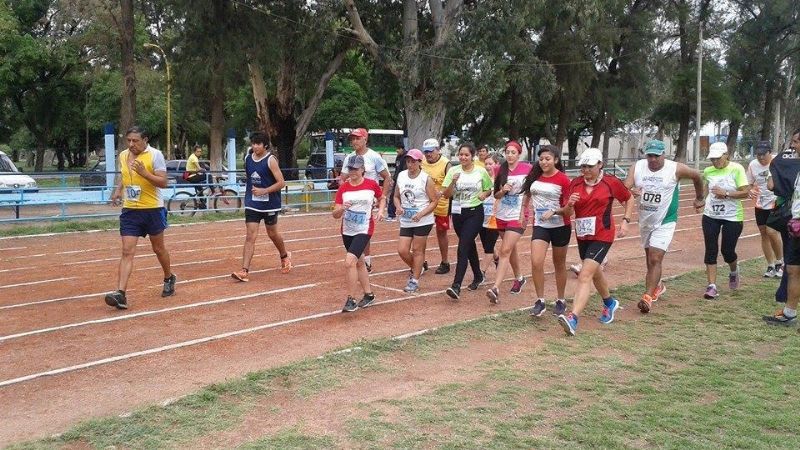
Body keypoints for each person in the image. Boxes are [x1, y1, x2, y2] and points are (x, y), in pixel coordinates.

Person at [553, 148, 634, 336]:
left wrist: (626, 221)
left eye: (589, 166)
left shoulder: (611, 182)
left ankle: (573, 318)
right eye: (583, 166)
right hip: (583, 235)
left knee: (584, 274)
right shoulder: (575, 184)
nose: (585, 170)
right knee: (595, 272)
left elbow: (628, 199)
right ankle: (609, 303)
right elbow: (567, 213)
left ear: (600, 165)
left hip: (603, 234)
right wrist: (569, 205)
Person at [624, 139, 705, 313]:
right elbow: (625, 187)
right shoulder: (637, 167)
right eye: (649, 155)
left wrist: (699, 198)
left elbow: (697, 175)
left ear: (663, 155)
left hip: (666, 220)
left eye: (656, 156)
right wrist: (631, 192)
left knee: (655, 258)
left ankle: (647, 297)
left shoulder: (675, 168)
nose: (652, 159)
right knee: (650, 259)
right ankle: (658, 285)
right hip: (646, 220)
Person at [104, 126, 176, 310]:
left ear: (145, 140)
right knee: (127, 251)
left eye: (135, 141)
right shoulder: (123, 155)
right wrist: (118, 190)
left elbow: (163, 182)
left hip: (152, 209)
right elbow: (124, 175)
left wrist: (145, 173)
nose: (131, 144)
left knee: (158, 249)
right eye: (129, 140)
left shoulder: (155, 155)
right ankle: (120, 293)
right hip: (130, 210)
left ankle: (169, 277)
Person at [231, 132, 292, 282]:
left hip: (270, 203)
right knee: (250, 236)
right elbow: (250, 178)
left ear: (265, 145)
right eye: (253, 143)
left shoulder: (271, 160)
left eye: (258, 144)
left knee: (272, 233)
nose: (255, 146)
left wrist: (264, 191)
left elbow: (281, 183)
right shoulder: (247, 159)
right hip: (253, 203)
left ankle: (285, 256)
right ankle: (244, 270)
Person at [522, 145, 572, 317]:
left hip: (560, 226)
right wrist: (524, 212)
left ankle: (561, 299)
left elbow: (569, 209)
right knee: (536, 262)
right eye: (541, 159)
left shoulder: (564, 180)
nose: (544, 162)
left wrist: (555, 211)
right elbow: (527, 194)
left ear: (556, 160)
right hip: (540, 225)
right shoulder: (534, 176)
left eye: (548, 159)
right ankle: (540, 300)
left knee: (559, 264)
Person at [333, 155, 386, 312]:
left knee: (349, 262)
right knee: (360, 262)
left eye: (356, 168)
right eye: (350, 168)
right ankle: (369, 295)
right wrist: (341, 208)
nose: (353, 171)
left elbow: (382, 197)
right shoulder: (343, 188)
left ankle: (351, 299)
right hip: (347, 230)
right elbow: (335, 214)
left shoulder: (371, 185)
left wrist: (381, 210)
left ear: (363, 169)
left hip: (364, 229)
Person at [441, 143, 493, 299]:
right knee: (469, 245)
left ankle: (456, 285)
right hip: (457, 213)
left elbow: (488, 188)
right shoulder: (453, 171)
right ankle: (478, 275)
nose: (463, 157)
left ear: (472, 156)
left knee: (463, 247)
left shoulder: (480, 171)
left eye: (466, 155)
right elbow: (446, 194)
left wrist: (484, 195)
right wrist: (453, 182)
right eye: (461, 154)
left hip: (474, 212)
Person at [700, 142, 750, 299]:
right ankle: (711, 286)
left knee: (727, 251)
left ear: (726, 155)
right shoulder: (708, 170)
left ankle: (734, 271)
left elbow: (745, 193)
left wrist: (726, 193)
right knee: (711, 250)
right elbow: (705, 187)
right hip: (711, 215)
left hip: (732, 216)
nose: (714, 162)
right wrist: (700, 200)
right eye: (712, 159)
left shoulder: (737, 169)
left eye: (717, 158)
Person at [485, 140, 532, 303]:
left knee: (504, 250)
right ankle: (519, 277)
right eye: (508, 152)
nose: (510, 155)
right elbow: (495, 195)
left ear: (519, 154)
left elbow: (529, 192)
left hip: (518, 215)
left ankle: (495, 288)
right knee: (510, 249)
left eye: (513, 152)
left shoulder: (527, 169)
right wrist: (502, 191)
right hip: (502, 215)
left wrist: (523, 212)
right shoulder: (499, 169)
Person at [340, 128, 392, 273]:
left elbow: (387, 177)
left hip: (369, 198)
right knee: (352, 225)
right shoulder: (349, 157)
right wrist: (343, 193)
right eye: (352, 139)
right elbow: (342, 178)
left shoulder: (374, 157)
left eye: (357, 138)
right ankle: (360, 257)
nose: (354, 141)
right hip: (352, 198)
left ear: (365, 139)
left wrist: (382, 196)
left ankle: (365, 259)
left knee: (363, 225)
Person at [764, 128, 800, 325]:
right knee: (793, 270)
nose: (792, 146)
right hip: (796, 226)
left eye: (796, 142)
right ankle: (789, 314)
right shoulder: (795, 167)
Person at [394, 149, 438, 293]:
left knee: (418, 250)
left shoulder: (426, 178)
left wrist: (421, 214)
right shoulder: (401, 176)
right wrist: (399, 207)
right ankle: (418, 267)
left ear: (420, 162)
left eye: (413, 161)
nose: (410, 164)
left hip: (423, 220)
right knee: (402, 250)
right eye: (408, 161)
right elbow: (395, 196)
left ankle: (414, 280)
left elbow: (433, 201)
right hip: (407, 219)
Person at [747, 140, 783, 278]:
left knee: (772, 231)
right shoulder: (752, 165)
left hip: (776, 201)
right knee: (764, 233)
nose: (761, 157)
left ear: (770, 152)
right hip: (761, 203)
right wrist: (750, 191)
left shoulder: (777, 162)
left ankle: (780, 261)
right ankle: (770, 265)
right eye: (758, 155)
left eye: (764, 154)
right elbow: (748, 184)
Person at [421, 138, 452, 274]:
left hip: (442, 204)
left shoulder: (446, 164)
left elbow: (451, 185)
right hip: (424, 203)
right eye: (426, 152)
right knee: (420, 233)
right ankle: (420, 261)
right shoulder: (421, 162)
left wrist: (443, 193)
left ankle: (445, 261)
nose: (428, 154)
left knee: (441, 232)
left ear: (438, 150)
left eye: (431, 151)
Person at [480, 152, 503, 277]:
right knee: (486, 244)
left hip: (494, 217)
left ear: (497, 164)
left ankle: (481, 274)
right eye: (486, 164)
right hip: (482, 216)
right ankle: (498, 259)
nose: (488, 166)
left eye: (491, 164)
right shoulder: (482, 178)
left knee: (488, 247)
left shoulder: (500, 180)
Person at [386, 145, 407, 221]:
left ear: (402, 149)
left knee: (406, 197)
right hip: (397, 179)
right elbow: (396, 169)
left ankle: (405, 214)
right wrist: (393, 178)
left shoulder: (406, 157)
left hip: (404, 180)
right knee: (393, 196)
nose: (397, 151)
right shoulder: (398, 157)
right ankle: (391, 214)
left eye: (398, 149)